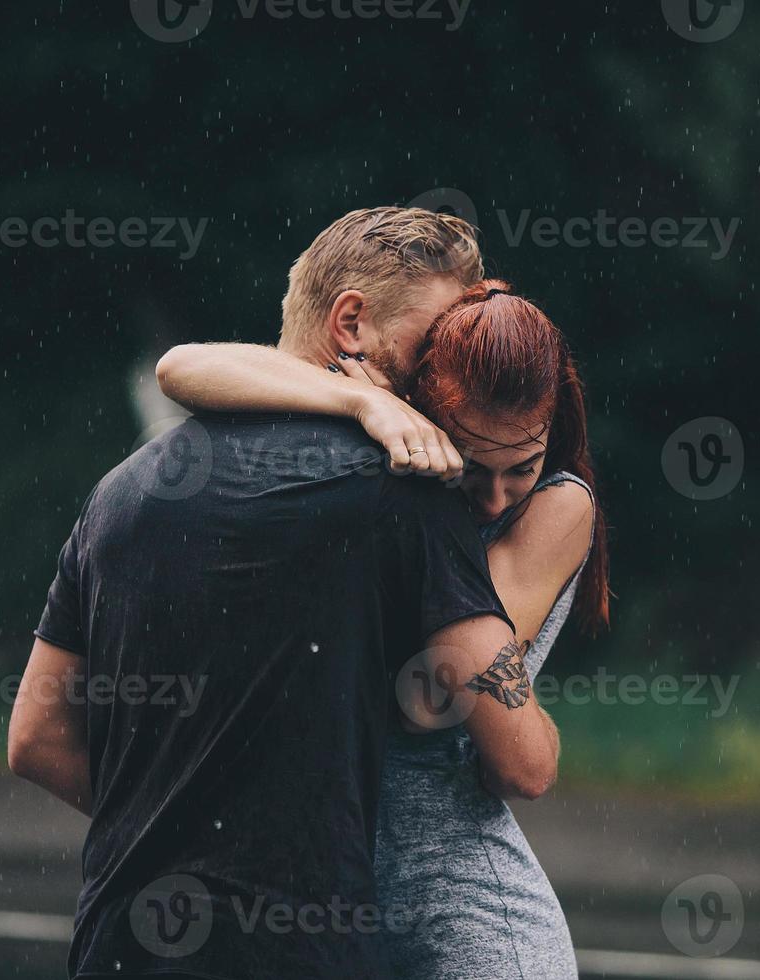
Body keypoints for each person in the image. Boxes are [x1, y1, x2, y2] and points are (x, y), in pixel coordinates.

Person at [8, 208, 562, 980]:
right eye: (434, 343)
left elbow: (34, 737)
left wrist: (180, 837)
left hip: (122, 940)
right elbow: (522, 762)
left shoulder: (121, 492)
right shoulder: (408, 493)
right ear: (352, 325)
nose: (450, 371)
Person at [154, 276, 610, 979]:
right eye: (471, 466)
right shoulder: (389, 456)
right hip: (338, 907)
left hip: (472, 920)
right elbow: (180, 368)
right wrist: (359, 399)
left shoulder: (557, 509)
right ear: (426, 416)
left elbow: (426, 700)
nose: (493, 497)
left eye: (521, 465)